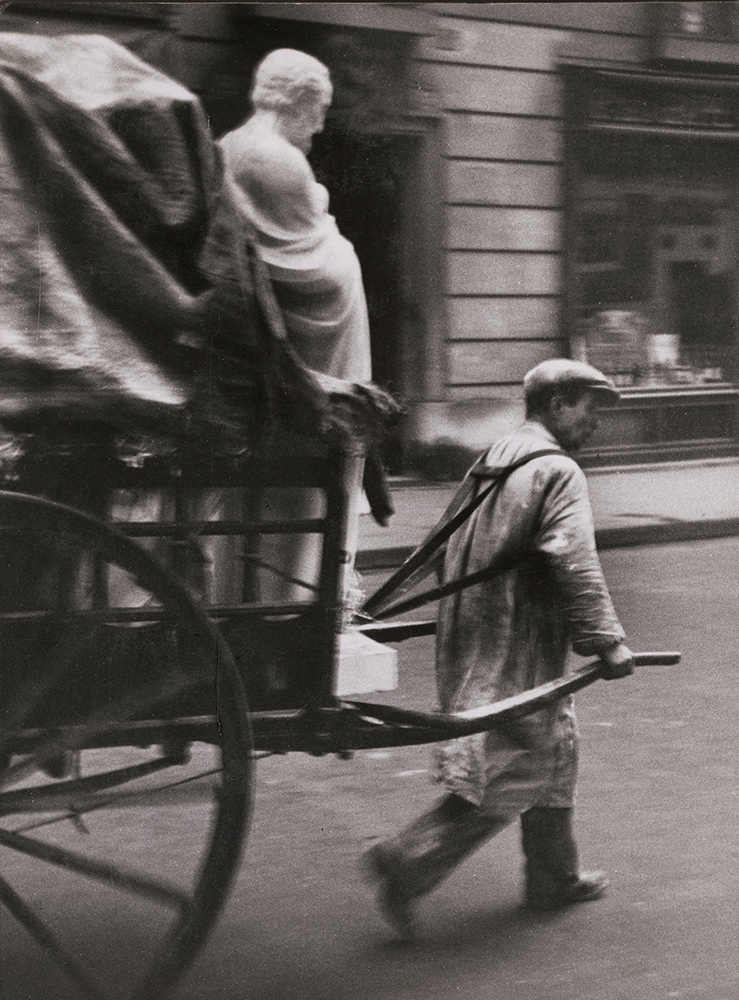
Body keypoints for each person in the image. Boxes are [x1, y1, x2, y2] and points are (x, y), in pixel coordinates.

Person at [363, 359, 635, 940]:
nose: (596, 423)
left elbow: (443, 539)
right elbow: (573, 557)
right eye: (591, 407)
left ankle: (553, 877)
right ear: (558, 403)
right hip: (516, 634)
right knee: (522, 761)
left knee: (556, 740)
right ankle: (409, 857)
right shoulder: (557, 469)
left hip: (475, 625)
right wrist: (608, 642)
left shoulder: (496, 455)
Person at [219, 49, 373, 606]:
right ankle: (298, 603)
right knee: (301, 491)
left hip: (285, 345)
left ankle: (259, 595)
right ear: (300, 100)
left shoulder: (231, 148)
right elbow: (313, 263)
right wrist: (331, 224)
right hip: (310, 351)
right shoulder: (274, 158)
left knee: (268, 499)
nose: (322, 122)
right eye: (320, 108)